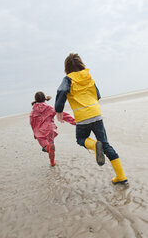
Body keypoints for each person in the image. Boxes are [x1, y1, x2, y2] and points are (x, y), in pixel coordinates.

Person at [55, 53, 128, 185]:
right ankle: (121, 176)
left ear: (67, 67)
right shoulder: (88, 76)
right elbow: (97, 95)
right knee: (105, 145)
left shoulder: (68, 79)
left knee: (81, 139)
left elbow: (61, 91)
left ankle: (94, 146)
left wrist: (59, 109)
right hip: (96, 113)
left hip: (82, 117)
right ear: (80, 63)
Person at [30, 91, 76, 166]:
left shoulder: (33, 112)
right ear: (44, 99)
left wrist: (35, 133)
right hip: (50, 129)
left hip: (40, 132)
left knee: (45, 147)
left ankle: (48, 149)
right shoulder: (50, 108)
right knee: (51, 145)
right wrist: (74, 122)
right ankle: (52, 162)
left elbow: (32, 123)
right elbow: (62, 114)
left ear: (36, 100)